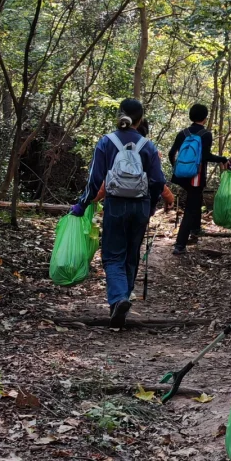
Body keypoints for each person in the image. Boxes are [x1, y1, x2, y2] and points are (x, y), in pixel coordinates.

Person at [70, 99, 165, 326]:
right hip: (140, 206)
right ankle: (122, 301)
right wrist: (150, 206)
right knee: (131, 255)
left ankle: (119, 299)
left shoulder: (107, 142)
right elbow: (159, 181)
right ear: (140, 119)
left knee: (113, 256)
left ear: (120, 115)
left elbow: (95, 179)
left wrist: (82, 205)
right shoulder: (148, 146)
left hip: (115, 205)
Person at [169, 103, 231, 255]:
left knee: (195, 200)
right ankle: (180, 245)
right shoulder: (205, 134)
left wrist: (177, 168)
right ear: (204, 117)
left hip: (181, 176)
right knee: (191, 208)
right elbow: (205, 156)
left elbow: (172, 153)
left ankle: (195, 229)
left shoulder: (182, 133)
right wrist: (223, 158)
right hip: (195, 177)